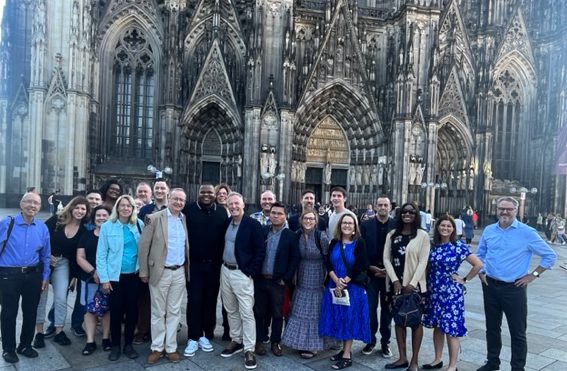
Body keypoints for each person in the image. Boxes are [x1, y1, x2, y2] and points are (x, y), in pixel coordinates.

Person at [476, 196, 557, 371]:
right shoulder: (489, 230)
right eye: (501, 208)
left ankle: (517, 368)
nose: (504, 212)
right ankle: (492, 362)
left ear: (516, 210)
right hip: (490, 285)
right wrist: (481, 272)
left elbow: (550, 256)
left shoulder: (527, 232)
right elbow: (480, 253)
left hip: (514, 288)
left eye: (509, 209)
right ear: (496, 209)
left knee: (518, 332)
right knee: (492, 328)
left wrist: (533, 275)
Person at [422, 215, 483, 371]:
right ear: (437, 227)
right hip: (434, 291)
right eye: (443, 225)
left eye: (449, 226)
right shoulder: (432, 245)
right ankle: (437, 359)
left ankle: (453, 365)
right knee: (437, 326)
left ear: (454, 229)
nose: (445, 228)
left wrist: (464, 279)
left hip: (450, 293)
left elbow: (478, 264)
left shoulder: (458, 246)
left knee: (451, 329)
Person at [139, 189, 190, 364]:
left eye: (182, 200)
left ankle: (171, 347)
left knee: (174, 311)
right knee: (158, 312)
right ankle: (157, 347)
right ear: (169, 198)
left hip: (179, 272)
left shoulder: (184, 219)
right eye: (175, 199)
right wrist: (144, 272)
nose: (178, 202)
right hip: (160, 272)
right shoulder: (153, 218)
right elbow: (143, 247)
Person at [0, 192, 51, 364]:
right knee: (9, 313)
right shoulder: (7, 223)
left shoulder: (42, 228)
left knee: (31, 312)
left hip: (33, 276)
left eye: (36, 203)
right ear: (21, 204)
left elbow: (45, 255)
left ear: (40, 206)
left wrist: (45, 277)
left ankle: (25, 345)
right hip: (9, 275)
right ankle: (8, 348)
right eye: (28, 201)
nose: (32, 205)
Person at [34, 196, 90, 348]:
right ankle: (38, 333)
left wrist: (74, 276)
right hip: (45, 261)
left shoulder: (84, 228)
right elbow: (40, 236)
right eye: (77, 207)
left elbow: (77, 254)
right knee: (41, 297)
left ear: (86, 212)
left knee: (61, 298)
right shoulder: (57, 220)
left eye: (83, 209)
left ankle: (59, 331)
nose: (79, 211)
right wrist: (46, 255)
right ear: (71, 207)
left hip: (63, 263)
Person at [220, 192, 265, 370]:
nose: (233, 207)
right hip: (225, 270)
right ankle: (236, 340)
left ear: (243, 204)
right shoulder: (227, 223)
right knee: (230, 309)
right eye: (230, 204)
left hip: (242, 273)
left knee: (246, 312)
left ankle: (249, 349)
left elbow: (260, 250)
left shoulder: (253, 225)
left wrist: (250, 272)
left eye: (236, 204)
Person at [96, 195, 144, 361]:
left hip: (134, 276)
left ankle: (128, 344)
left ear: (132, 209)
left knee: (132, 312)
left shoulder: (138, 225)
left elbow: (143, 250)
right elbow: (101, 255)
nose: (125, 208)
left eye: (129, 206)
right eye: (122, 205)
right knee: (116, 312)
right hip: (114, 278)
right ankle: (115, 345)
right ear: (117, 208)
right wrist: (104, 279)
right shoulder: (108, 227)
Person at [383, 202, 430, 371]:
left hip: (414, 285)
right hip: (395, 285)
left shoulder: (422, 235)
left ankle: (414, 361)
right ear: (400, 214)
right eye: (404, 212)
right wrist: (395, 280)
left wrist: (412, 283)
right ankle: (402, 358)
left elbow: (423, 261)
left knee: (416, 322)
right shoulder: (392, 234)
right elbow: (386, 259)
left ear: (416, 215)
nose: (407, 214)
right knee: (399, 320)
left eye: (411, 212)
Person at [319, 213, 370, 370]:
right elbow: (328, 263)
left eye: (350, 223)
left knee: (348, 319)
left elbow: (361, 264)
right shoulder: (334, 242)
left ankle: (347, 355)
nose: (347, 225)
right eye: (344, 223)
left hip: (352, 287)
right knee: (339, 317)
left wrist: (345, 280)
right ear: (340, 225)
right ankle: (343, 350)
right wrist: (336, 280)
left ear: (355, 227)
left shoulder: (359, 243)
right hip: (335, 286)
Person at [183, 184, 228, 356]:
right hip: (194, 264)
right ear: (198, 193)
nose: (206, 195)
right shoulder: (188, 210)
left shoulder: (222, 212)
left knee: (210, 300)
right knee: (194, 300)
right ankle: (193, 336)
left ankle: (207, 333)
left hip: (214, 265)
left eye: (210, 192)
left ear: (215, 194)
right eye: (203, 192)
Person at [254, 202, 299, 357]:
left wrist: (285, 279)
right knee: (259, 312)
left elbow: (294, 259)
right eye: (273, 213)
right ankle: (259, 341)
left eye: (280, 213)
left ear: (285, 216)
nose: (276, 216)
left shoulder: (290, 236)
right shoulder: (263, 230)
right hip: (260, 279)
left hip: (277, 281)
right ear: (269, 214)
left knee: (277, 313)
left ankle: (275, 342)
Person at [282, 208, 329, 359]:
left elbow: (328, 258)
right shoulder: (297, 235)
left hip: (317, 275)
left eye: (311, 219)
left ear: (316, 221)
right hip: (302, 274)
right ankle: (300, 342)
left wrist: (327, 279)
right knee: (300, 308)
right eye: (305, 219)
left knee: (315, 309)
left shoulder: (320, 236)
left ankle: (313, 345)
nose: (308, 221)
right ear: (301, 221)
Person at [360, 196, 396, 358]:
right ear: (375, 206)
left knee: (387, 311)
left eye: (385, 205)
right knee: (370, 310)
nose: (382, 207)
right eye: (380, 205)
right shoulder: (366, 225)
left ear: (390, 207)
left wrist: (390, 270)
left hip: (390, 276)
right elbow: (362, 249)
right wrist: (369, 266)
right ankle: (370, 340)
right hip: (371, 275)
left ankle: (385, 343)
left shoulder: (396, 225)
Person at [135, 179, 169, 344]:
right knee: (145, 300)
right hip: (150, 262)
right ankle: (143, 330)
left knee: (167, 301)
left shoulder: (173, 209)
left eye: (163, 188)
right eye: (157, 188)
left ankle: (165, 333)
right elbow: (142, 237)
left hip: (168, 263)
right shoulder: (146, 210)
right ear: (153, 192)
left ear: (167, 191)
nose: (160, 190)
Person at [76, 205, 112, 355]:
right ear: (94, 218)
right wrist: (93, 271)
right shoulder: (86, 235)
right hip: (90, 278)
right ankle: (90, 341)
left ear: (110, 218)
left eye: (105, 215)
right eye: (98, 215)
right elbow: (80, 257)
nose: (101, 218)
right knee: (89, 310)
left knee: (107, 309)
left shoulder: (113, 235)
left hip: (109, 280)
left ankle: (105, 338)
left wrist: (104, 275)